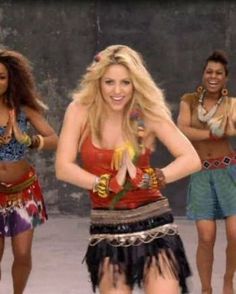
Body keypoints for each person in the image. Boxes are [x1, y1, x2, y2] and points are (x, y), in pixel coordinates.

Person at [55, 44, 201, 294]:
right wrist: (104, 183)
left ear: (136, 83)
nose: (117, 91)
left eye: (125, 82)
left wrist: (151, 179)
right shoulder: (80, 110)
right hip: (107, 227)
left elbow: (191, 158)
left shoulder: (147, 112)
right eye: (109, 82)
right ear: (98, 81)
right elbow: (63, 167)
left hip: (153, 223)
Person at [177, 50, 236, 294]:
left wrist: (227, 130)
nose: (213, 76)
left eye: (219, 73)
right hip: (201, 173)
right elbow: (182, 129)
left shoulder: (232, 104)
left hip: (228, 173)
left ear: (226, 77)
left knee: (235, 234)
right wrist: (212, 133)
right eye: (209, 71)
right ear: (203, 74)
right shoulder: (188, 101)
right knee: (206, 237)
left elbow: (231, 130)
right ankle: (206, 289)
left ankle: (228, 279)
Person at [0, 49, 58, 294]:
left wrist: (29, 140)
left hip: (23, 192)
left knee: (22, 254)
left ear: (11, 78)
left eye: (1, 77)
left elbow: (55, 139)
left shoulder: (22, 108)